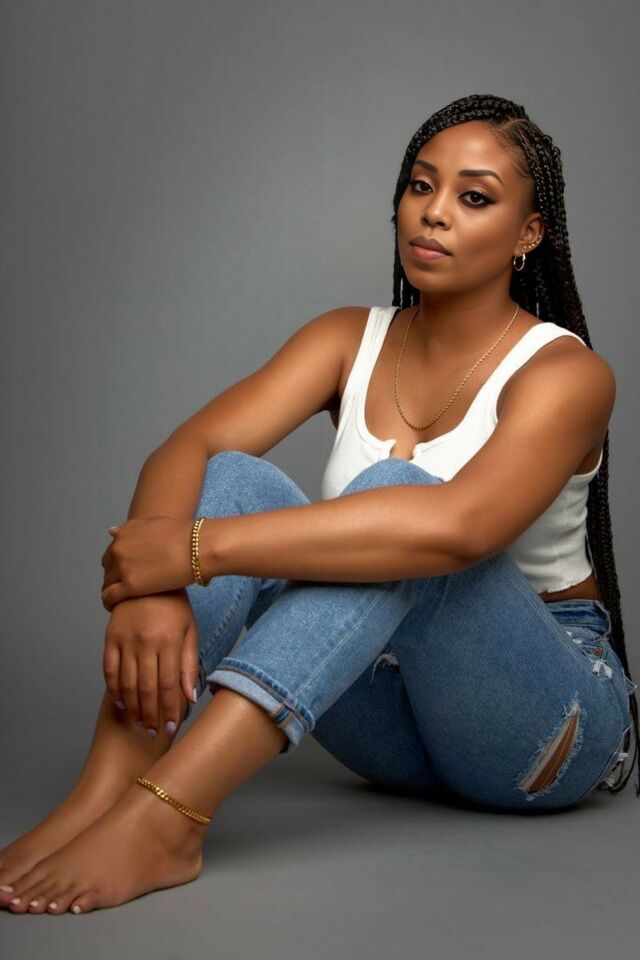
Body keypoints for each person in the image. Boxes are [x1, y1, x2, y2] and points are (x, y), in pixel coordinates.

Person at [1, 92, 637, 918]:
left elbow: (459, 529)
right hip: (391, 722)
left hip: (543, 725)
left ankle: (168, 817)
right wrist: (151, 590)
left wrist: (190, 551)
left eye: (474, 197)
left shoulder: (568, 374)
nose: (435, 212)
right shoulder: (347, 338)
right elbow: (186, 450)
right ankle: (105, 793)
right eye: (421, 186)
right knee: (235, 475)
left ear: (528, 234)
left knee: (398, 506)